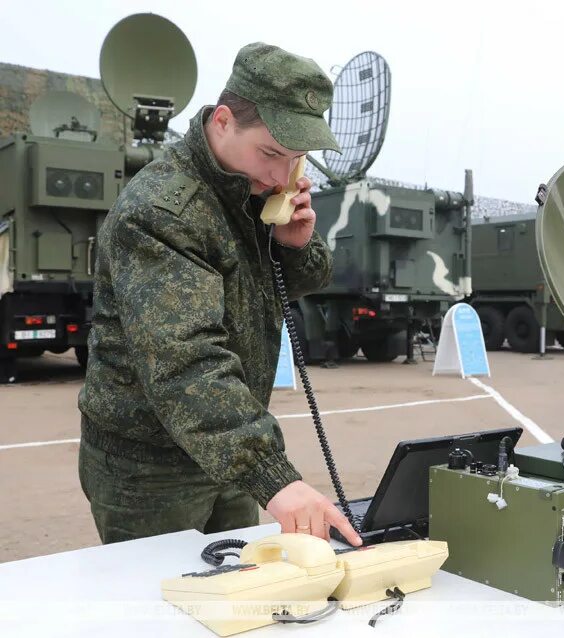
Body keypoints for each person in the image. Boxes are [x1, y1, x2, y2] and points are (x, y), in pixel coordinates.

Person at [77, 43, 362, 547]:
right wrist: (274, 476)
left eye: (296, 159)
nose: (281, 176)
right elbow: (186, 359)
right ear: (224, 121)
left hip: (225, 452)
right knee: (161, 613)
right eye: (272, 154)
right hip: (152, 470)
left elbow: (297, 282)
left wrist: (293, 246)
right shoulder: (163, 212)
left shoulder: (248, 190)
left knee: (233, 601)